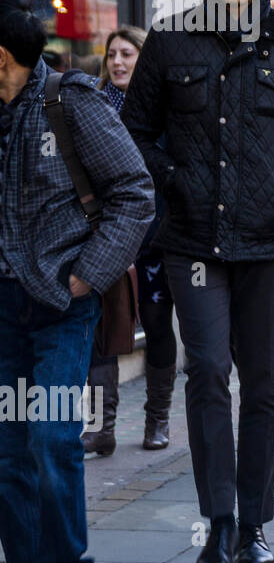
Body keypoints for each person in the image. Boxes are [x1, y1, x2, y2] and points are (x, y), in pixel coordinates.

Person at [121, 0, 274, 563]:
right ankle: (217, 525)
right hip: (193, 242)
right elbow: (134, 131)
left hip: (270, 244)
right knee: (208, 371)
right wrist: (175, 180)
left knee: (265, 384)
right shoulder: (170, 41)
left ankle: (254, 525)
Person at [0, 0, 153, 563]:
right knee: (9, 451)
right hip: (3, 307)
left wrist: (88, 273)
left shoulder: (71, 102)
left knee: (51, 439)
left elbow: (135, 193)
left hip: (61, 304)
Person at [81, 26, 180, 456]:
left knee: (157, 325)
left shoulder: (165, 111)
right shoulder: (92, 108)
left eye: (127, 54)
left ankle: (157, 420)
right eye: (111, 55)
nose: (117, 62)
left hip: (154, 240)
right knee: (102, 331)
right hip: (104, 238)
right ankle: (101, 428)